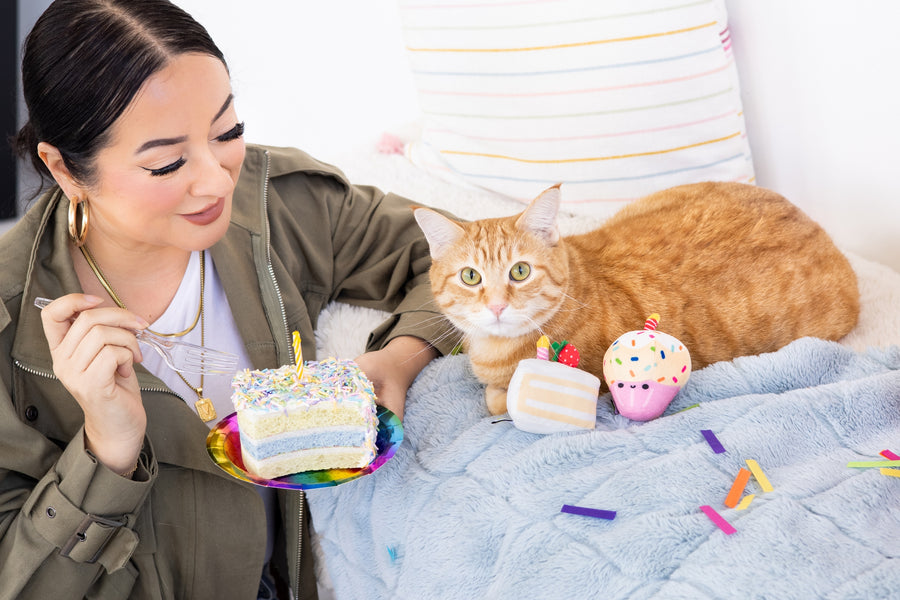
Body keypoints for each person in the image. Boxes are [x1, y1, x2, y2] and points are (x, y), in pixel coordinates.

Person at [0, 1, 452, 598]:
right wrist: (105, 452)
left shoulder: (280, 204)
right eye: (166, 163)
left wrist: (399, 359)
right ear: (63, 168)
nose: (216, 180)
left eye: (227, 131)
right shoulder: (12, 329)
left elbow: (469, 256)